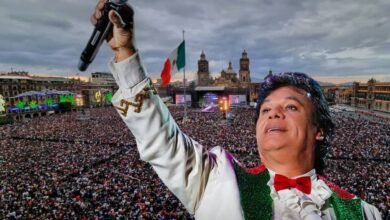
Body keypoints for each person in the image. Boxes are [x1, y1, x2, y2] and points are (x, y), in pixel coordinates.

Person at [90, 0, 383, 219]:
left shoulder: (366, 214)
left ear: (319, 129)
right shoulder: (219, 179)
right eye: (265, 109)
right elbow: (161, 141)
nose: (272, 113)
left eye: (290, 106)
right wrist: (124, 53)